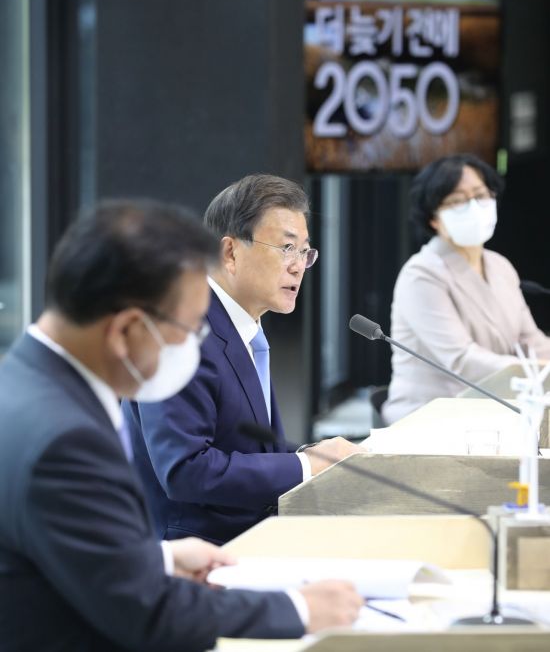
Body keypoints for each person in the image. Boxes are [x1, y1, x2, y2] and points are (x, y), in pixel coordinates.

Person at [0, 200, 362, 652]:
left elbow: (66, 549)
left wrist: (159, 559)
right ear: (128, 329)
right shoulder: (66, 440)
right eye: (190, 328)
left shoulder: (25, 381)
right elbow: (145, 612)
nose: (196, 344)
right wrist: (299, 609)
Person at [123, 174, 363, 544]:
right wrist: (306, 464)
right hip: (198, 555)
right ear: (230, 253)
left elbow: (248, 447)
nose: (298, 266)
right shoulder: (178, 333)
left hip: (254, 538)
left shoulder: (241, 325)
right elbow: (185, 470)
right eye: (286, 248)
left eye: (304, 252)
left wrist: (313, 455)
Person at [383, 153, 550, 424]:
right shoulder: (421, 274)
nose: (473, 206)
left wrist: (542, 363)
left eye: (480, 195)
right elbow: (462, 360)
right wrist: (533, 370)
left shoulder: (500, 266)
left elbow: (531, 341)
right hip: (429, 419)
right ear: (433, 217)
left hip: (497, 411)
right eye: (457, 201)